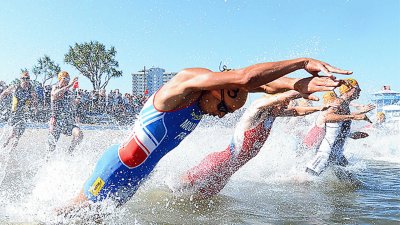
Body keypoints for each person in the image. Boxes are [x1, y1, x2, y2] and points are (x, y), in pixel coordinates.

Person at [69, 58, 351, 207]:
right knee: (72, 217)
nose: (220, 114)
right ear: (216, 88)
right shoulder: (183, 87)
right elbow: (245, 78)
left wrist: (297, 86)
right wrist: (303, 63)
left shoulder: (209, 94)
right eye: (222, 107)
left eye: (227, 112)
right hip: (118, 169)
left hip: (136, 175)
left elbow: (262, 86)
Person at [178, 90, 330, 199]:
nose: (286, 106)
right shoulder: (256, 110)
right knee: (176, 190)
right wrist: (302, 91)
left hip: (228, 172)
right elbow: (269, 101)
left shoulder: (272, 115)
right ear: (276, 100)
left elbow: (297, 111)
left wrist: (319, 108)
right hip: (217, 164)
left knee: (196, 202)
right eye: (284, 103)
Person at [305, 79, 374, 177]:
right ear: (349, 89)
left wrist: (351, 135)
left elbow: (337, 128)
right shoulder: (339, 102)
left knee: (351, 182)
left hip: (337, 153)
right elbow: (327, 117)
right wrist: (353, 117)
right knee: (307, 180)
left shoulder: (345, 104)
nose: (360, 91)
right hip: (326, 152)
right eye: (357, 88)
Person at [0, 72, 38, 149]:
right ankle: (5, 144)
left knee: (18, 135)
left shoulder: (31, 89)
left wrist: (35, 108)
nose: (26, 80)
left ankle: (11, 150)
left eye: (27, 79)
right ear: (20, 79)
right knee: (13, 133)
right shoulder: (15, 87)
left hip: (24, 114)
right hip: (14, 113)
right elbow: (4, 93)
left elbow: (35, 99)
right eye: (24, 78)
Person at [47, 71, 83, 153]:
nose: (66, 81)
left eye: (68, 79)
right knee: (51, 149)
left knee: (79, 134)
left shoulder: (68, 93)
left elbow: (73, 103)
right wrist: (70, 85)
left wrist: (77, 99)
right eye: (64, 79)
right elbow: (54, 95)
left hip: (67, 122)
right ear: (59, 79)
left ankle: (69, 152)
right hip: (56, 122)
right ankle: (46, 161)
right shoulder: (55, 88)